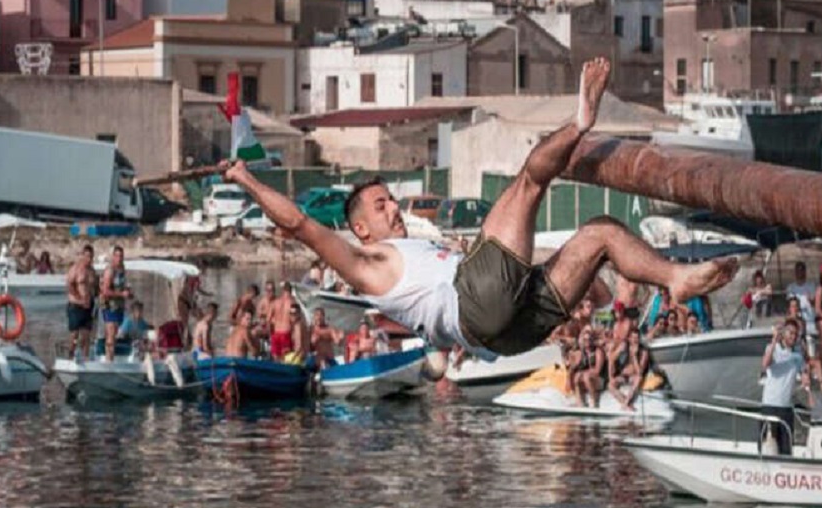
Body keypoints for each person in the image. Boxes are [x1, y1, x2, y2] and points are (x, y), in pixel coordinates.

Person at [218, 62, 737, 367]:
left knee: (600, 233)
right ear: (359, 227)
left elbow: (436, 320)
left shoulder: (413, 251)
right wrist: (247, 180)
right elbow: (299, 225)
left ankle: (676, 278)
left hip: (504, 335)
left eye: (391, 199)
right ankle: (580, 119)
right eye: (382, 205)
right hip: (479, 302)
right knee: (530, 180)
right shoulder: (366, 261)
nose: (394, 208)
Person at [760, 320, 808, 456]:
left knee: (786, 449)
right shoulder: (772, 348)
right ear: (784, 333)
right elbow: (765, 364)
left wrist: (805, 376)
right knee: (767, 446)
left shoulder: (797, 355)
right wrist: (775, 340)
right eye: (791, 333)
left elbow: (803, 370)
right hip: (770, 405)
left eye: (796, 334)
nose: (793, 336)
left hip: (786, 408)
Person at [99, 246, 134, 363]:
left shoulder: (122, 269)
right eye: (117, 256)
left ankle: (111, 358)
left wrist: (128, 293)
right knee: (111, 334)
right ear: (113, 257)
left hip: (119, 306)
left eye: (121, 256)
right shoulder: (110, 270)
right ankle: (109, 360)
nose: (119, 258)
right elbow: (105, 291)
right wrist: (121, 294)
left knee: (115, 334)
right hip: (110, 306)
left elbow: (123, 287)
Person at [65, 244, 98, 361]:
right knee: (74, 334)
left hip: (88, 307)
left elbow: (96, 288)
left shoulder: (92, 272)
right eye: (87, 256)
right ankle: (70, 356)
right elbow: (69, 284)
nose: (89, 259)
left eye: (91, 257)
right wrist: (79, 297)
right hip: (76, 305)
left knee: (86, 336)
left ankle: (86, 359)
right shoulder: (76, 269)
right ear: (83, 255)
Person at [268, 282, 297, 360]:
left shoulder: (275, 302)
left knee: (275, 357)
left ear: (282, 291)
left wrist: (270, 334)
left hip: (276, 333)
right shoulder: (292, 302)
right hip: (286, 333)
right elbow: (295, 320)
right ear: (291, 291)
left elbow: (268, 320)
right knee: (285, 358)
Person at [785, 261, 817, 329]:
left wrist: (811, 300)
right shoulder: (790, 287)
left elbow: (815, 303)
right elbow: (790, 305)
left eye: (802, 270)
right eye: (798, 270)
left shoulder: (811, 286)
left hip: (810, 320)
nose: (800, 272)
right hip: (795, 322)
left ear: (805, 271)